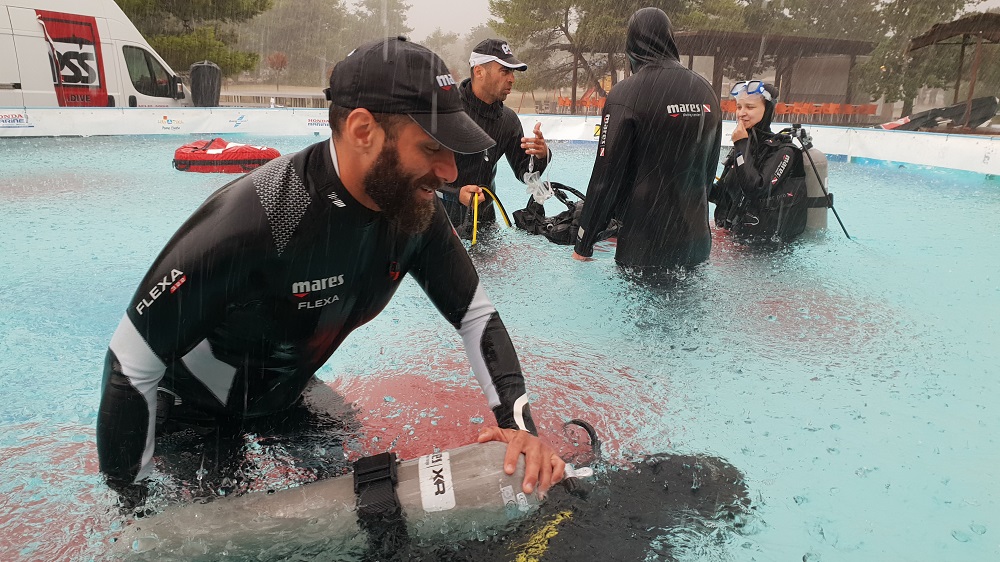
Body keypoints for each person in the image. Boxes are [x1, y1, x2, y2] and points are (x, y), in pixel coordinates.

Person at [96, 36, 564, 498]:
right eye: (431, 148)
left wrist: (521, 430)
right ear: (363, 131)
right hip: (190, 417)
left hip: (289, 394)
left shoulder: (415, 212)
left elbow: (476, 316)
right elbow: (129, 362)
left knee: (372, 501)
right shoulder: (258, 219)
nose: (450, 172)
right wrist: (133, 507)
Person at [572, 7, 721, 271]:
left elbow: (606, 177)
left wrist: (584, 241)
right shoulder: (705, 90)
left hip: (646, 245)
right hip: (697, 241)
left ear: (631, 45)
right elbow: (708, 171)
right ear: (670, 39)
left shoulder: (626, 94)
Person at [438, 38, 551, 238]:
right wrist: (455, 194)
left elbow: (525, 173)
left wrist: (541, 156)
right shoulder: (445, 110)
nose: (512, 79)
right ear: (479, 71)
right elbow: (413, 174)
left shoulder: (508, 120)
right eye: (505, 71)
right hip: (439, 221)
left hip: (485, 224)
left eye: (513, 72)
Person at [709, 80, 808, 242]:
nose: (741, 113)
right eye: (739, 107)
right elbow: (722, 195)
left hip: (763, 246)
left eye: (750, 107)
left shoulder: (784, 152)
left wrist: (741, 144)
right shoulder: (743, 148)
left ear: (767, 110)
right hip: (734, 236)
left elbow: (756, 188)